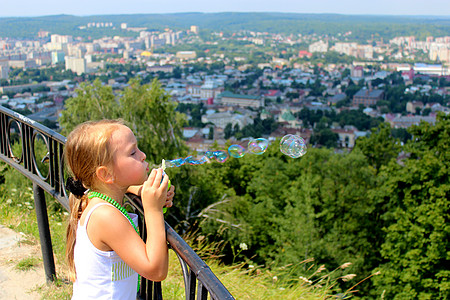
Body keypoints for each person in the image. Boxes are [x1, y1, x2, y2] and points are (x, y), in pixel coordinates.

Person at [64, 119, 175, 300]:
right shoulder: (105, 216)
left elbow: (118, 186)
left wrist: (142, 191)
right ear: (106, 174)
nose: (143, 155)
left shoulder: (93, 196)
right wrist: (152, 209)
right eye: (132, 152)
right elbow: (155, 270)